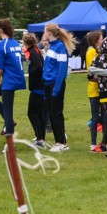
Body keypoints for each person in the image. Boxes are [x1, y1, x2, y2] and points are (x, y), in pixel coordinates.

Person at [0, 19, 26, 137]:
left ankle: (11, 144)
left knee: (7, 110)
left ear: (0, 30)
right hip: (18, 78)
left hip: (9, 80)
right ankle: (9, 121)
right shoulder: (15, 43)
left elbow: (0, 69)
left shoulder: (1, 45)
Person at [42, 23, 75, 152]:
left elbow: (62, 70)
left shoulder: (60, 47)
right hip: (49, 83)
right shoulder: (52, 46)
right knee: (51, 113)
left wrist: (56, 88)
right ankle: (59, 141)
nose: (43, 34)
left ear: (49, 33)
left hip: (55, 84)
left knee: (56, 114)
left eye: (44, 32)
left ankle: (62, 143)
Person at [24, 33, 46, 148]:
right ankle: (41, 137)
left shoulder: (33, 52)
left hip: (38, 88)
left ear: (25, 43)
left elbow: (38, 67)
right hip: (40, 87)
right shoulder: (36, 50)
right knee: (39, 113)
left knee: (32, 113)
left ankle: (40, 138)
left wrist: (32, 76)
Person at [84, 31, 104, 152]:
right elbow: (92, 69)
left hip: (99, 87)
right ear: (95, 40)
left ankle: (103, 141)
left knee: (102, 116)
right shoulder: (91, 51)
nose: (102, 40)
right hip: (94, 88)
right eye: (101, 39)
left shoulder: (97, 51)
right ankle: (93, 143)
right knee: (95, 116)